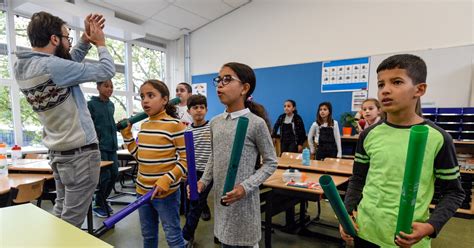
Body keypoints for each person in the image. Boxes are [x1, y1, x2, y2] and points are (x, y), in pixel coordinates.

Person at [342, 54, 465, 247]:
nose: (385, 90)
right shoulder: (369, 134)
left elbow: (454, 193)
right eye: (381, 84)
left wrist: (431, 226)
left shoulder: (438, 138)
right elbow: (358, 178)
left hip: (407, 239)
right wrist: (347, 213)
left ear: (420, 89)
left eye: (397, 82)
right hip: (365, 231)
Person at [14, 11, 115, 227]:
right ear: (54, 39)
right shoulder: (53, 67)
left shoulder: (22, 67)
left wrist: (83, 42)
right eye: (67, 38)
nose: (69, 44)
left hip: (59, 154)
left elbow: (66, 68)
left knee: (61, 215)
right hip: (80, 156)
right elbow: (107, 69)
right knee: (71, 225)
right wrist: (100, 43)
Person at [198, 62, 278, 247]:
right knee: (225, 241)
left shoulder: (255, 123)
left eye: (227, 79)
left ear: (244, 88)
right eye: (218, 79)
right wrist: (203, 181)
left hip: (244, 206)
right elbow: (214, 156)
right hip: (222, 204)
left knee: (243, 242)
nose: (220, 84)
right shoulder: (215, 123)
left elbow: (271, 163)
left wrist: (245, 187)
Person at [120, 79, 187, 248]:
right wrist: (127, 136)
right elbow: (140, 157)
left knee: (173, 237)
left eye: (151, 95)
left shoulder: (175, 125)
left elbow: (186, 160)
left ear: (164, 100)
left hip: (166, 194)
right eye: (142, 96)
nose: (145, 101)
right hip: (142, 191)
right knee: (148, 237)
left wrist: (167, 179)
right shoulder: (144, 125)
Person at [182, 94, 213, 247]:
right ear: (189, 111)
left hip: (210, 172)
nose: (199, 110)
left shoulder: (212, 127)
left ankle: (186, 236)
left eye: (202, 107)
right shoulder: (187, 131)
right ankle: (191, 233)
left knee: (196, 204)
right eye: (195, 107)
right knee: (190, 204)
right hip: (193, 173)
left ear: (206, 110)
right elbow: (185, 154)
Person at [87, 79, 119, 217]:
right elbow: (89, 126)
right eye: (106, 86)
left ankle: (102, 200)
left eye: (111, 86)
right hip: (100, 147)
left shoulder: (111, 105)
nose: (109, 89)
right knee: (104, 177)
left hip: (112, 146)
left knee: (114, 175)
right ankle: (98, 204)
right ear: (98, 87)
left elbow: (109, 124)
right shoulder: (91, 105)